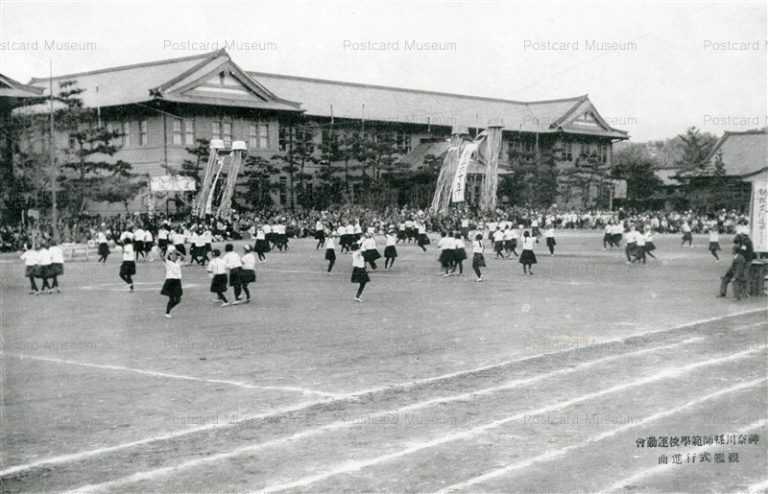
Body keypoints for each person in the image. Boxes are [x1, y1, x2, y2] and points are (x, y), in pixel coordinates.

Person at [160, 248, 184, 318]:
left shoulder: (178, 262)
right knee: (172, 298)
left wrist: (178, 251)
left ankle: (168, 310)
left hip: (177, 281)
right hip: (170, 281)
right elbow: (162, 257)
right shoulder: (167, 262)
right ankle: (167, 312)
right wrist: (164, 252)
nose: (173, 257)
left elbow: (183, 257)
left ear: (177, 257)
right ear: (169, 257)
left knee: (178, 300)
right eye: (171, 255)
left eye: (175, 256)